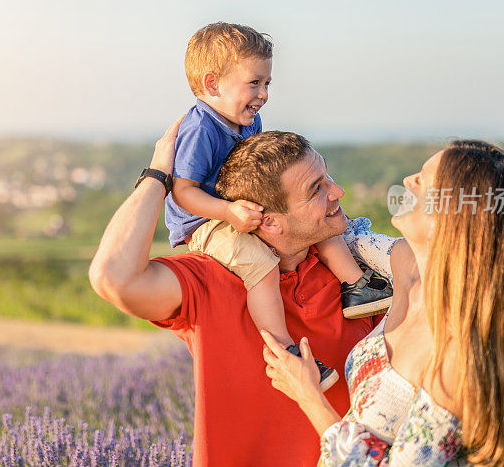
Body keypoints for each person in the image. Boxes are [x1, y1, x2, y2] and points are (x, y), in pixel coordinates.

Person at [90, 121, 396, 467]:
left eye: (328, 178)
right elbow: (112, 277)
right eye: (316, 189)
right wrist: (158, 175)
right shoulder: (211, 280)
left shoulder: (357, 280)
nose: (338, 191)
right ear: (269, 222)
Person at [262, 140, 504, 466]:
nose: (408, 180)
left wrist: (308, 395)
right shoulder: (407, 262)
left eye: (423, 179)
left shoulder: (457, 354)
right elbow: (343, 233)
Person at [166, 22, 392, 389]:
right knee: (261, 265)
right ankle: (284, 350)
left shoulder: (247, 120)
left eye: (267, 84)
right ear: (212, 84)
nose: (264, 94)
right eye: (254, 83)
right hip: (205, 220)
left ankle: (358, 287)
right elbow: (183, 192)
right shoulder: (201, 129)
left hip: (240, 204)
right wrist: (228, 212)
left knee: (318, 219)